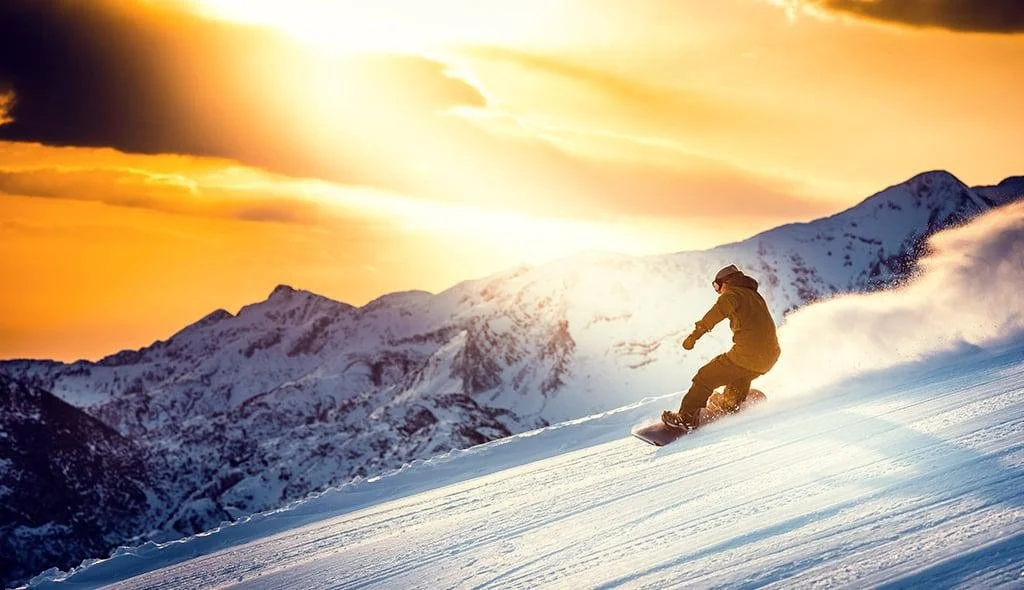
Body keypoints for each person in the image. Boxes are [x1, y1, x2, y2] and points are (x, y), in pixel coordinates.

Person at [661, 264, 781, 430]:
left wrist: (693, 336)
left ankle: (686, 418)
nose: (718, 291)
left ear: (726, 282)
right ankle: (730, 404)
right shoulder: (754, 296)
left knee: (705, 377)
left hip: (748, 355)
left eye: (717, 286)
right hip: (769, 357)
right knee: (741, 374)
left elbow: (715, 314)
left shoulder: (732, 294)